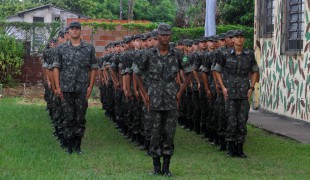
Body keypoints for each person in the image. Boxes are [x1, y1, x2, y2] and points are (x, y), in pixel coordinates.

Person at [134, 23, 192, 176]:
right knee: (154, 132)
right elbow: (136, 73)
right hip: (153, 98)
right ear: (157, 36)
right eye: (162, 34)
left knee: (169, 133)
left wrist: (180, 91)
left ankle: (166, 168)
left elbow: (189, 72)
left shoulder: (179, 54)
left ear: (170, 36)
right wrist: (144, 93)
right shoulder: (147, 54)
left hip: (171, 98)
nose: (165, 37)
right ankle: (156, 167)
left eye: (167, 34)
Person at [53, 21, 98, 154]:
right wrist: (57, 86)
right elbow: (56, 68)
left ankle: (77, 147)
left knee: (80, 118)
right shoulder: (61, 49)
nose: (75, 31)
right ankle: (68, 147)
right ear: (69, 31)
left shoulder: (89, 48)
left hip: (81, 89)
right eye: (72, 29)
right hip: (66, 88)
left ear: (80, 31)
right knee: (68, 117)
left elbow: (93, 68)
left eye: (77, 29)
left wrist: (90, 86)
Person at [214, 30, 259, 158]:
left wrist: (251, 87)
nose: (239, 39)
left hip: (244, 93)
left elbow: (255, 70)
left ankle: (240, 148)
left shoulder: (249, 54)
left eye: (241, 37)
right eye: (237, 37)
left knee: (242, 121)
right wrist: (223, 87)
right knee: (231, 121)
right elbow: (217, 70)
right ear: (232, 40)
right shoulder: (225, 54)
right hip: (230, 93)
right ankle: (230, 149)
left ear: (244, 40)